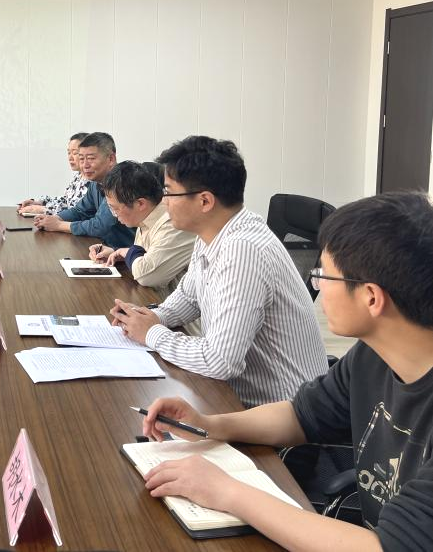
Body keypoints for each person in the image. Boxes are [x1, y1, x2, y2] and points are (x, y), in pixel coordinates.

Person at [138, 192, 433, 551]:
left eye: (324, 276)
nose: (317, 285)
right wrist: (209, 425)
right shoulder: (373, 355)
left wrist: (227, 491)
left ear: (371, 297)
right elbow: (301, 415)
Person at [111, 136, 327, 407]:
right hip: (236, 395)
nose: (164, 203)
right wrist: (153, 316)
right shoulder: (214, 232)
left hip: (281, 413)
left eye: (169, 193)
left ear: (205, 201)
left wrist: (151, 333)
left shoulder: (243, 250)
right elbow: (189, 297)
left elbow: (220, 361)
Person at [89, 160, 193, 299]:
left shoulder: (172, 222)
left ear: (140, 204)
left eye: (115, 209)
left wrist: (128, 252)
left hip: (174, 309)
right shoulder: (146, 217)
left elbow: (147, 276)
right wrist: (116, 252)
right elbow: (145, 254)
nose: (115, 215)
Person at [33, 132, 135, 248]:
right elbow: (80, 211)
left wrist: (58, 225)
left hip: (128, 253)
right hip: (107, 249)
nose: (85, 165)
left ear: (111, 159)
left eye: (91, 158)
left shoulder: (121, 182)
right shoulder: (96, 182)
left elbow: (100, 226)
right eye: (81, 159)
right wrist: (55, 218)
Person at [18, 132, 89, 216]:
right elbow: (65, 200)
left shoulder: (92, 181)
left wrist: (42, 209)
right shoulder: (78, 176)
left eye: (75, 153)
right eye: (69, 153)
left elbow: (75, 212)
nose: (70, 158)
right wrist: (40, 203)